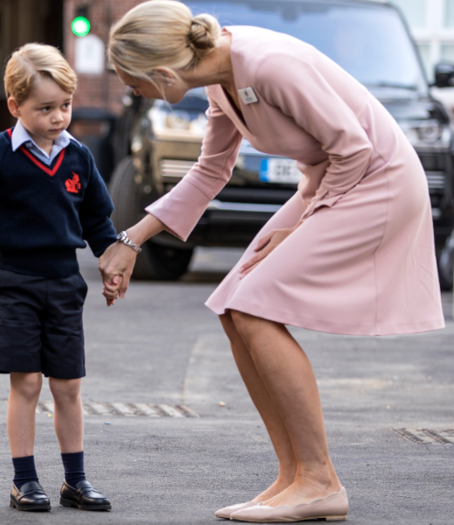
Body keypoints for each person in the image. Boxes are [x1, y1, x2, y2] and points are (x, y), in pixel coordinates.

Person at [100, 1, 445, 522]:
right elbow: (210, 171)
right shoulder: (220, 77)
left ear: (165, 74)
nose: (133, 93)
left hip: (377, 182)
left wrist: (299, 228)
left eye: (134, 83)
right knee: (234, 307)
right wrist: (133, 239)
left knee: (256, 307)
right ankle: (293, 477)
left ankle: (320, 480)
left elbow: (353, 150)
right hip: (331, 182)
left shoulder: (267, 62)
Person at [0, 43, 113, 513]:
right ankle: (24, 481)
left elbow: (98, 221)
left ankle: (76, 480)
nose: (58, 117)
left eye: (65, 106)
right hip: (16, 280)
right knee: (26, 383)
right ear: (15, 106)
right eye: (45, 108)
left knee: (67, 386)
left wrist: (111, 263)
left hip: (66, 283)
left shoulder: (79, 158)